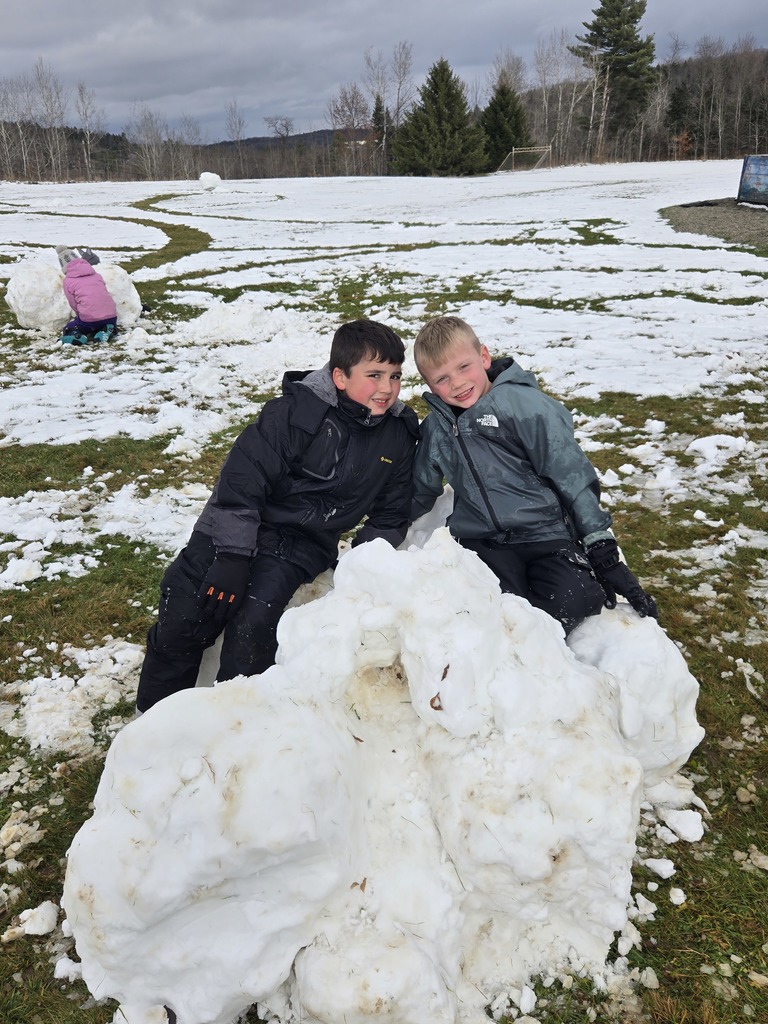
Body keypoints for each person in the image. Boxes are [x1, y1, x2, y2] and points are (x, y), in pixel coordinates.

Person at [136, 319, 419, 713]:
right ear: (340, 376)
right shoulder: (295, 414)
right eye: (373, 375)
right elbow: (242, 481)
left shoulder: (399, 434)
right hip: (239, 529)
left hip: (298, 547)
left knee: (252, 630)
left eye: (394, 376)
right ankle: (151, 728)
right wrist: (232, 556)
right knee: (183, 617)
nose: (387, 388)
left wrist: (361, 572)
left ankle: (232, 730)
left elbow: (390, 515)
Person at [410, 315, 657, 635]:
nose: (456, 383)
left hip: (545, 536)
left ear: (483, 357)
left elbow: (571, 475)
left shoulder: (526, 407)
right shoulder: (437, 430)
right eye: (442, 379)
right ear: (429, 386)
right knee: (492, 607)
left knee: (572, 600)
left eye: (463, 367)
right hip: (482, 541)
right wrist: (383, 527)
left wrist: (602, 550)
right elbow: (420, 489)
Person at [56, 246, 118, 345]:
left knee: (71, 327)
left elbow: (73, 303)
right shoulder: (96, 275)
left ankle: (76, 335)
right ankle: (107, 329)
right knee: (103, 323)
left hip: (90, 319)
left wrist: (79, 315)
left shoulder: (68, 281)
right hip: (112, 316)